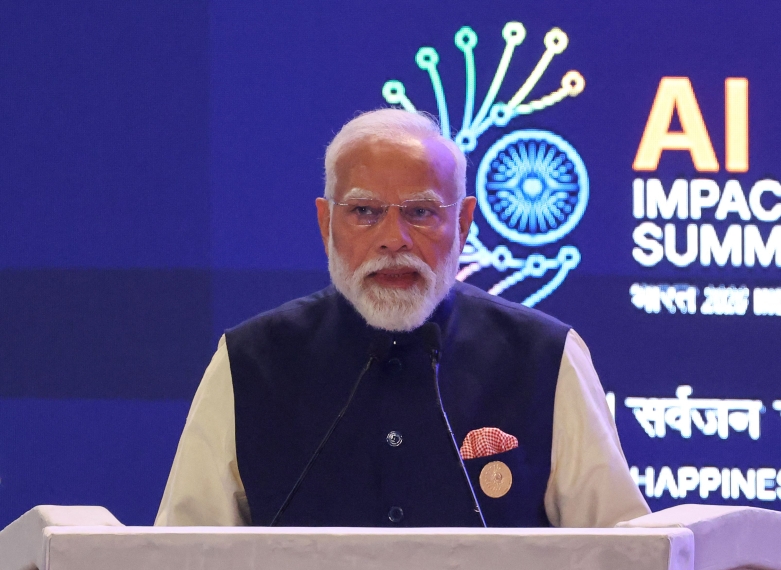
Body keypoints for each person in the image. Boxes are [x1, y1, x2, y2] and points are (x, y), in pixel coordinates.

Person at [155, 109, 648, 529]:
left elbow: (622, 564)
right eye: (365, 211)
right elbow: (180, 568)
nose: (394, 239)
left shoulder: (546, 358)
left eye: (421, 213)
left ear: (463, 223)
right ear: (326, 223)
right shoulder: (248, 363)